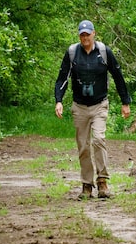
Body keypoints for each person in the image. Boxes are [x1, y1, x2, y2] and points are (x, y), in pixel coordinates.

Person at [54, 20, 131, 199]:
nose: (85, 37)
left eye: (88, 34)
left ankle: (102, 181)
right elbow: (62, 78)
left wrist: (125, 102)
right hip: (79, 107)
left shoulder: (104, 52)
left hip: (99, 105)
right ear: (79, 35)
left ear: (94, 34)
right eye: (82, 34)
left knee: (98, 139)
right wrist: (59, 100)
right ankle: (86, 185)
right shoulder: (72, 53)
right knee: (83, 146)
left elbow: (118, 76)